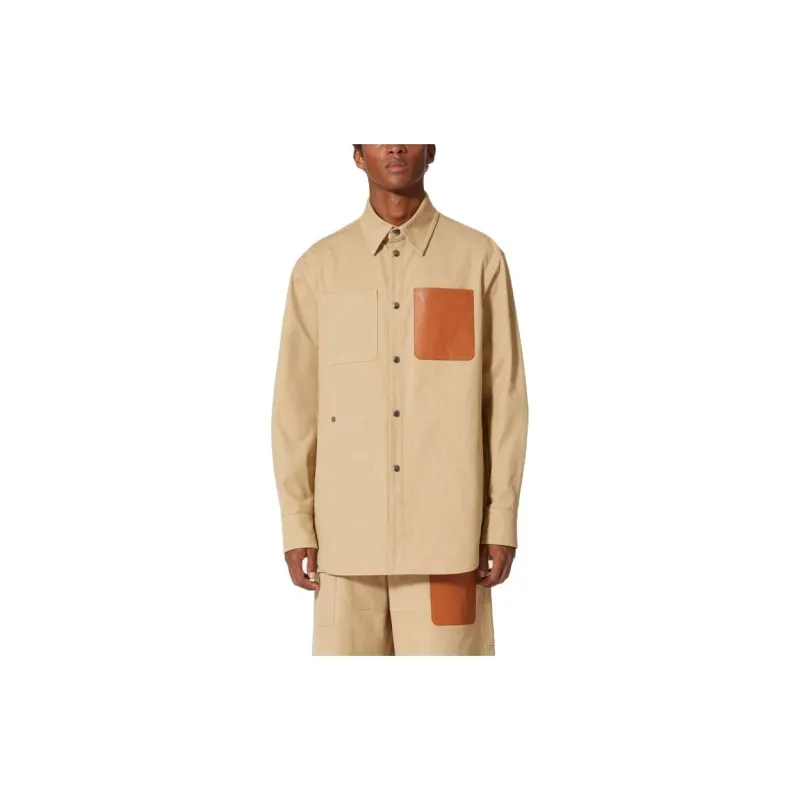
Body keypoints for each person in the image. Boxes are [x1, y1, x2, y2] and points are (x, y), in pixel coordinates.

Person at [271, 144, 529, 655]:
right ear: (357, 155)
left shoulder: (478, 260)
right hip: (346, 546)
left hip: (448, 546)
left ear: (431, 150)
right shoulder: (319, 268)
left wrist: (501, 519)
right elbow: (295, 407)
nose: (394, 145)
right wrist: (297, 522)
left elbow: (504, 400)